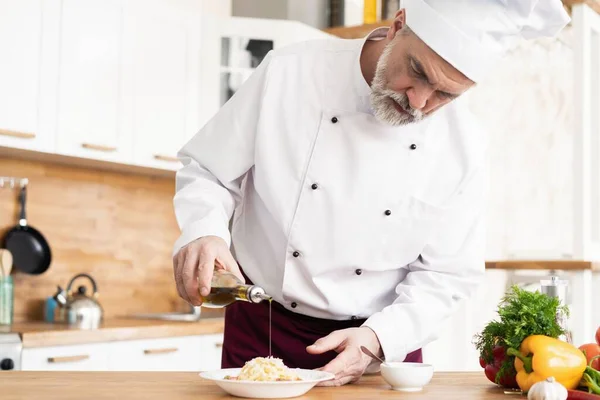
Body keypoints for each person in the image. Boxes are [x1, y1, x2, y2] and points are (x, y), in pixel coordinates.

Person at [172, 0, 570, 387]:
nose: (418, 101)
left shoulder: (463, 144)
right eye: (417, 71)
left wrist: (379, 340)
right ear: (398, 25)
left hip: (377, 347)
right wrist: (204, 230)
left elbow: (447, 275)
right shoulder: (290, 72)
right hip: (264, 325)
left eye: (445, 95)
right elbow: (207, 168)